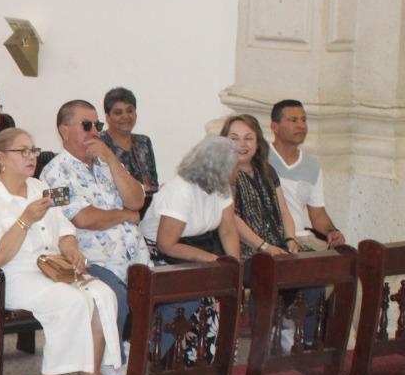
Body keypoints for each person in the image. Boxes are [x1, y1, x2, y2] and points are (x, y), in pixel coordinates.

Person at [0, 126, 121, 375]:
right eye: (22, 151)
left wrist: (72, 249)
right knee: (70, 301)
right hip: (10, 275)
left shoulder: (39, 188)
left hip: (52, 267)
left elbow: (64, 228)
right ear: (1, 157)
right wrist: (24, 220)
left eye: (33, 150)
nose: (31, 157)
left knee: (103, 294)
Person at [40, 99, 150, 336]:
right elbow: (82, 218)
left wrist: (110, 159)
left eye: (97, 125)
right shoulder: (51, 173)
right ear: (64, 130)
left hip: (137, 259)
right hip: (94, 263)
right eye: (87, 125)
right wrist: (125, 215)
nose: (95, 131)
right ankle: (110, 361)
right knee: (115, 297)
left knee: (179, 289)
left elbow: (136, 201)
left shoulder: (108, 163)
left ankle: (148, 354)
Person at [141, 136, 241, 264]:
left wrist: (235, 265)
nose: (238, 171)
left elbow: (228, 230)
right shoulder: (179, 192)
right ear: (220, 170)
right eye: (235, 166)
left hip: (199, 244)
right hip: (163, 255)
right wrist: (215, 261)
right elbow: (166, 246)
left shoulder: (222, 187)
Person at [267, 99, 347, 249]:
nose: (301, 126)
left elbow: (317, 214)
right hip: (269, 240)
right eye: (293, 120)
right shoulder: (260, 157)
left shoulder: (312, 166)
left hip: (301, 240)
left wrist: (332, 231)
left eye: (304, 120)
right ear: (274, 127)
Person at [222, 114, 299, 259]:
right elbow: (231, 219)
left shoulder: (267, 170)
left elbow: (283, 211)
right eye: (234, 138)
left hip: (277, 247)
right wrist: (265, 247)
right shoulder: (223, 174)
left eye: (248, 138)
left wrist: (290, 239)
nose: (241, 144)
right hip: (246, 255)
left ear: (258, 142)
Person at [100, 87, 159, 194]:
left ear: (135, 113)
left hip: (145, 205)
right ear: (107, 117)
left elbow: (153, 185)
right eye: (118, 113)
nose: (125, 116)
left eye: (130, 111)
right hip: (113, 208)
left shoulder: (143, 142)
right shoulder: (99, 144)